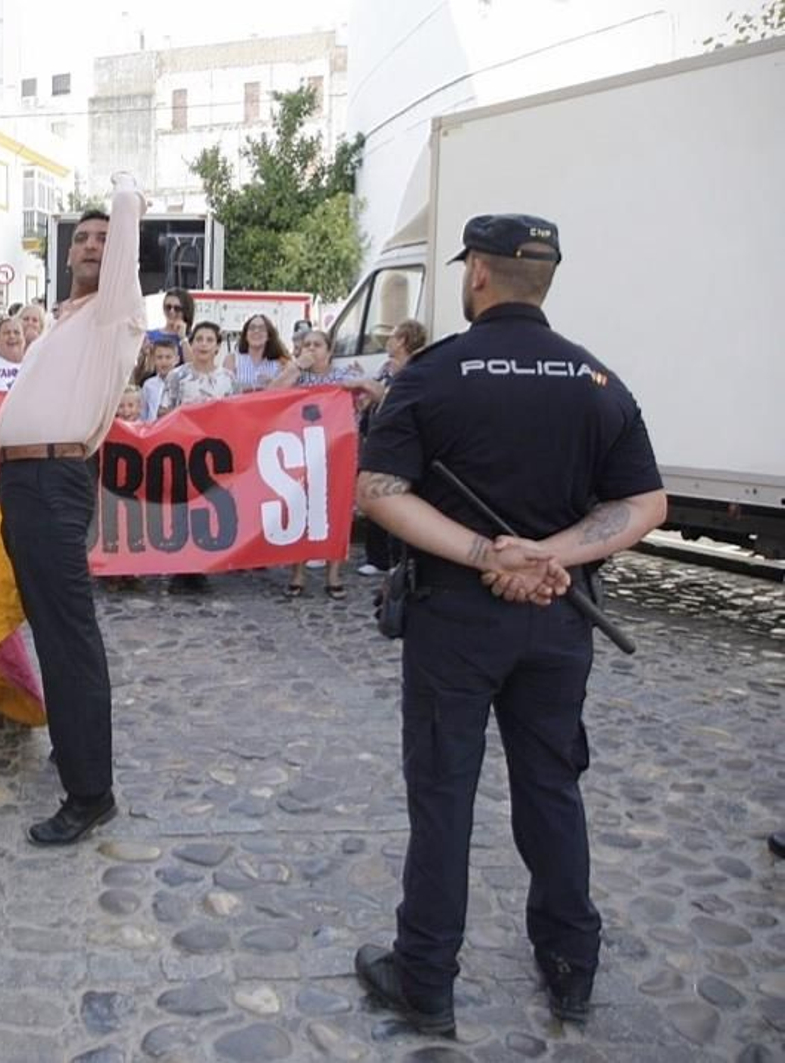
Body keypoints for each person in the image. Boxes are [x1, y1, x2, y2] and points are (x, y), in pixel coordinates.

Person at [352, 213, 667, 1037]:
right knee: (553, 789)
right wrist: (550, 556)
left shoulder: (434, 372)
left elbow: (379, 491)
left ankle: (426, 977)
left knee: (444, 795)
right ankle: (571, 965)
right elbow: (645, 501)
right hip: (562, 616)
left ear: (479, 274)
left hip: (456, 617)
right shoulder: (599, 381)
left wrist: (491, 553)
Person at [0, 174, 145, 846]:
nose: (89, 245)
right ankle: (74, 748)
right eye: (80, 238)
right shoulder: (64, 320)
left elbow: (125, 228)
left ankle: (91, 794)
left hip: (55, 481)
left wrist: (123, 193)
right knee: (52, 628)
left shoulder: (118, 309)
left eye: (103, 240)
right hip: (30, 482)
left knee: (69, 635)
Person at [271, 328, 369, 600]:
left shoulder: (344, 376)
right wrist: (294, 368)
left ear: (329, 350)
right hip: (301, 453)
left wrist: (359, 387)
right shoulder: (297, 376)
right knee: (299, 511)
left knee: (337, 511)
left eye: (317, 344)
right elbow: (270, 394)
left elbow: (371, 395)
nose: (311, 349)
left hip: (337, 453)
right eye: (306, 345)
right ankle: (298, 573)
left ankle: (333, 574)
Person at [356, 319, 429, 576]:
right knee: (374, 494)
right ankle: (377, 558)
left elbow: (389, 397)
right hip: (376, 435)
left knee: (399, 497)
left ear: (404, 341)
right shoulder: (385, 367)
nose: (388, 340)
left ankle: (400, 558)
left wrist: (373, 391)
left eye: (394, 335)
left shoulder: (414, 368)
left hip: (401, 440)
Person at [161, 321, 234, 414]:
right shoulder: (176, 376)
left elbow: (233, 414)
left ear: (218, 346)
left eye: (210, 340)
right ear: (191, 344)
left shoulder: (228, 378)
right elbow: (164, 412)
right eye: (199, 339)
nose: (204, 344)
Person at [232, 313, 290, 392]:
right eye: (252, 328)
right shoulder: (232, 360)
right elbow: (225, 391)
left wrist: (274, 383)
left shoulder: (282, 363)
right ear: (245, 335)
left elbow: (288, 391)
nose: (256, 331)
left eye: (262, 328)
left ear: (269, 336)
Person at [137, 332, 179, 423]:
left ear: (177, 359)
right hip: (152, 430)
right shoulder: (148, 384)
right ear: (154, 360)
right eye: (159, 357)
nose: (164, 361)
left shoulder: (182, 383)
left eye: (168, 357)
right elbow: (143, 413)